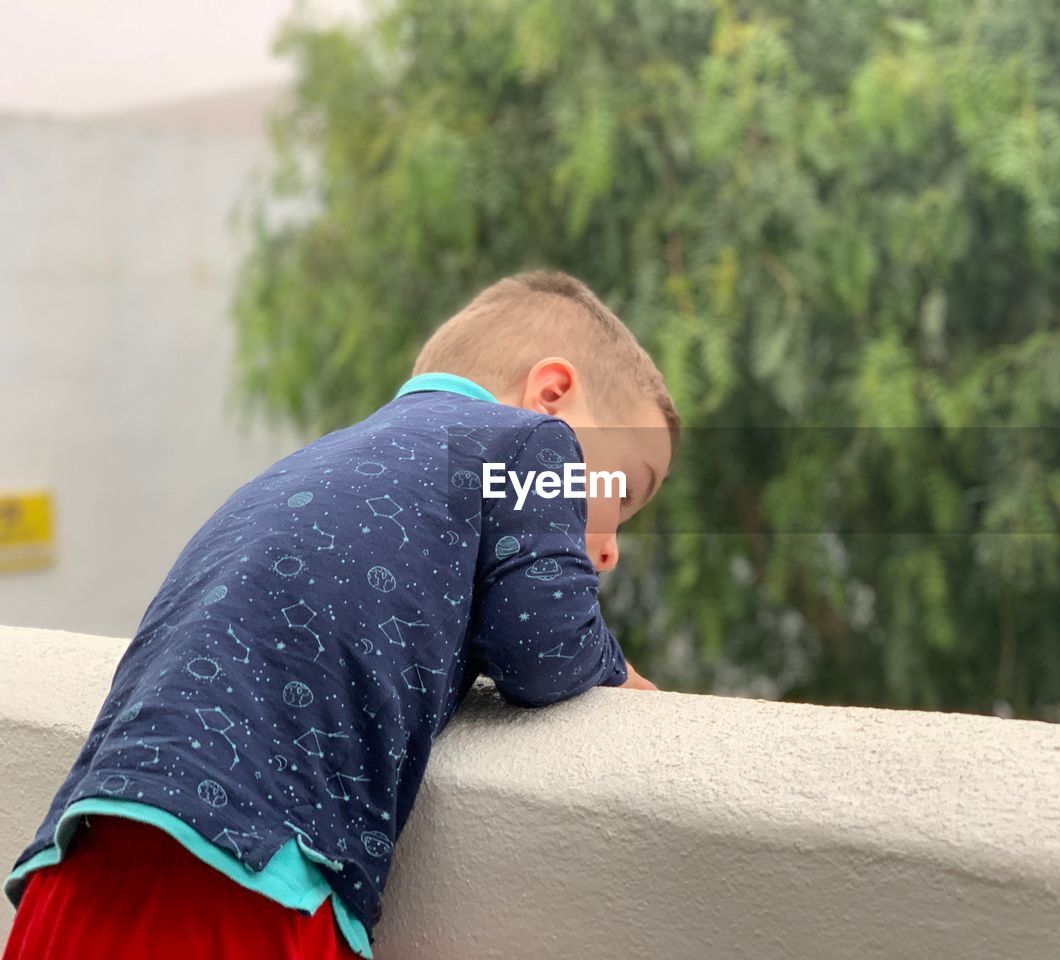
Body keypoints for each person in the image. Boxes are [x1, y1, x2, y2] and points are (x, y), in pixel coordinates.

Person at [3, 271, 678, 959]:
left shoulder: (312, 464)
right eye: (622, 493)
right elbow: (540, 644)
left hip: (75, 870)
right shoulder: (532, 441)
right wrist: (629, 680)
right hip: (245, 881)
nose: (609, 550)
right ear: (553, 395)